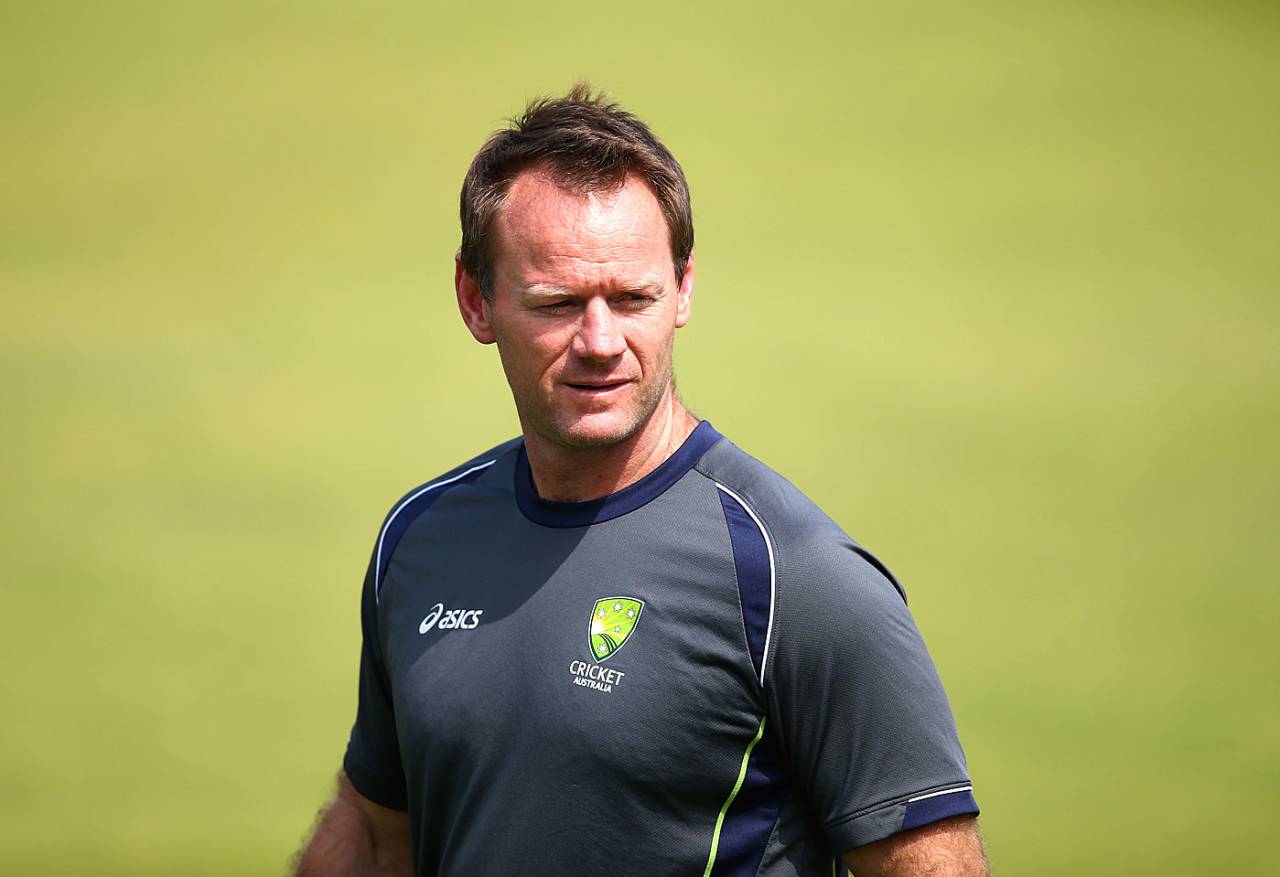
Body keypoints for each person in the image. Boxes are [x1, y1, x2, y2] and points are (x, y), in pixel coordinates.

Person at [294, 84, 987, 877]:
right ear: (475, 300)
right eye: (558, 302)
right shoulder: (419, 539)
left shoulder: (795, 575)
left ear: (683, 289)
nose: (600, 340)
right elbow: (380, 831)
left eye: (633, 298)